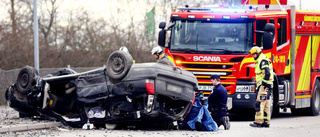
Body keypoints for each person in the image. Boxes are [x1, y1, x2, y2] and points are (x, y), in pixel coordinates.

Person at [249, 46, 273, 128]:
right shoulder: (261, 59)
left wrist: (263, 84)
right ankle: (266, 122)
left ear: (257, 53)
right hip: (267, 85)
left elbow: (266, 74)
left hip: (264, 85)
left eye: (254, 54)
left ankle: (258, 122)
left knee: (259, 103)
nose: (253, 56)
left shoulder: (262, 60)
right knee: (266, 105)